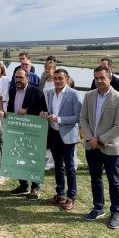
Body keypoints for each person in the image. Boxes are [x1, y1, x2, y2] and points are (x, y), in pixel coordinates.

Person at [80, 65, 119, 229]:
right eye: (96, 78)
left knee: (114, 181)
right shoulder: (89, 96)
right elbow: (83, 119)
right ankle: (98, 207)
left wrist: (100, 140)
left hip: (110, 147)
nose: (99, 81)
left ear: (110, 78)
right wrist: (90, 139)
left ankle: (115, 212)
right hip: (91, 146)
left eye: (102, 78)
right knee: (95, 179)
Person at [40, 69, 82, 211]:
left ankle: (71, 197)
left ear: (67, 79)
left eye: (60, 78)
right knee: (58, 166)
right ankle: (60, 193)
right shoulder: (51, 93)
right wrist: (46, 114)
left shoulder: (74, 94)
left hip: (68, 135)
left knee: (70, 167)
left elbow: (78, 117)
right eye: (55, 78)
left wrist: (59, 119)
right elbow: (51, 111)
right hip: (54, 134)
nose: (57, 81)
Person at [8, 69, 47, 199]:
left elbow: (43, 110)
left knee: (32, 157)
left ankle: (35, 187)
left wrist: (27, 111)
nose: (18, 80)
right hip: (16, 129)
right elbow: (10, 108)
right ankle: (23, 185)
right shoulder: (12, 90)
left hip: (32, 131)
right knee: (18, 155)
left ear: (27, 78)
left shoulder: (37, 92)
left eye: (21, 77)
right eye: (16, 77)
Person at [39, 60, 57, 170]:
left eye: (49, 69)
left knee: (53, 136)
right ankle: (49, 158)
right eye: (45, 69)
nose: (47, 71)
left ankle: (53, 161)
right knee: (47, 135)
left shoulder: (56, 81)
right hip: (45, 110)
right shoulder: (44, 80)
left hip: (54, 111)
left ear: (54, 70)